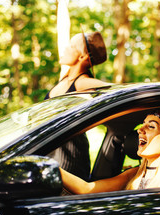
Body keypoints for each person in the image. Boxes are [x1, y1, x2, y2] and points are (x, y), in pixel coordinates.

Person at [60, 26, 160, 193]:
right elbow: (86, 189)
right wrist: (51, 168)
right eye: (143, 125)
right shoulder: (134, 174)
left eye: (151, 126)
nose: (140, 130)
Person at [46, 0, 110, 182]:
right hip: (49, 153)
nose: (65, 48)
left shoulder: (84, 83)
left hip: (69, 159)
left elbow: (117, 91)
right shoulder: (65, 78)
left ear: (82, 56)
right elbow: (62, 31)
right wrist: (63, 6)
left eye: (72, 46)